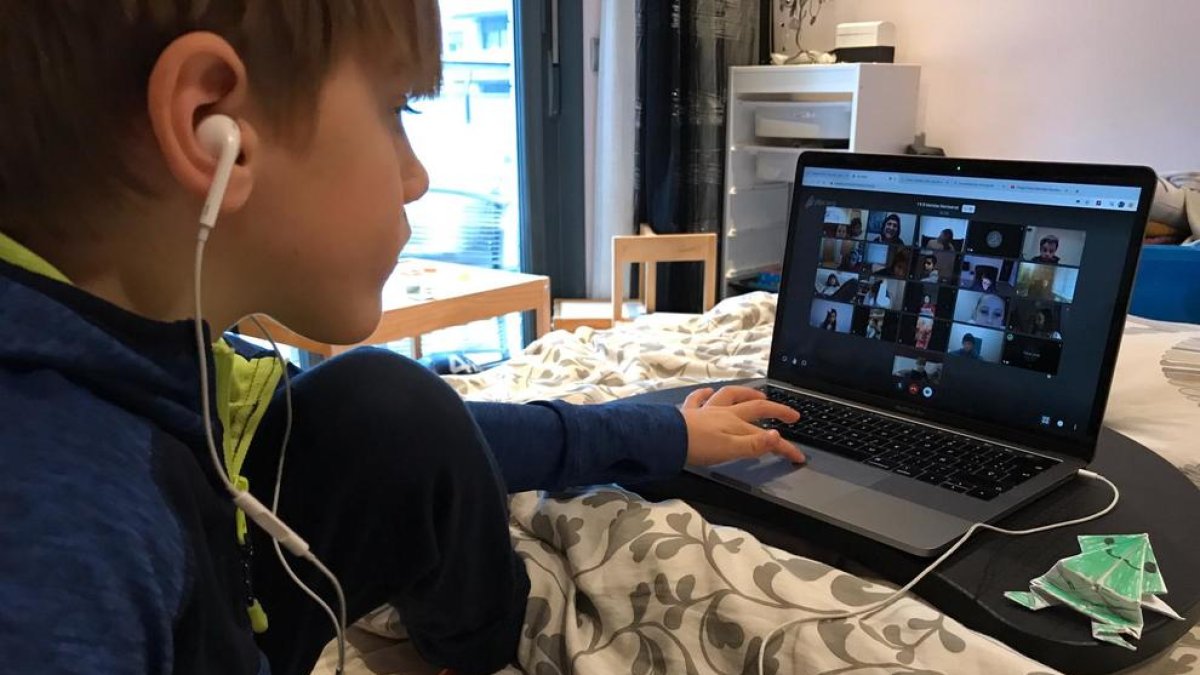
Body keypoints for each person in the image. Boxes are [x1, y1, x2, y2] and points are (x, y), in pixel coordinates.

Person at [0, 5, 807, 675]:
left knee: (386, 401)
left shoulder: (153, 361)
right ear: (214, 126)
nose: (417, 174)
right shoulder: (62, 529)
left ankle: (476, 644)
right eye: (397, 112)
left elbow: (431, 438)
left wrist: (657, 429)